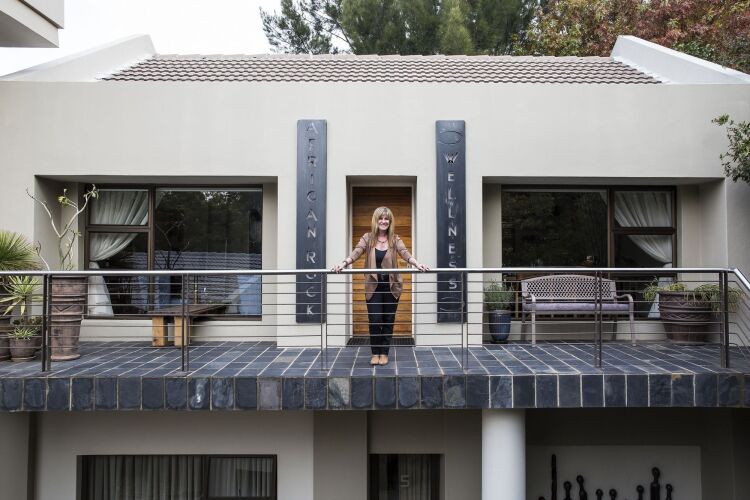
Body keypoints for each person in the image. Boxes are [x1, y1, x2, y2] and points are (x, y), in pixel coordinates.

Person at [333, 207, 429, 366]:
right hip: (374, 287)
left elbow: (405, 253)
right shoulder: (368, 238)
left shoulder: (395, 239)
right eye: (381, 218)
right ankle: (375, 352)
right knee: (375, 319)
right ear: (376, 220)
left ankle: (384, 352)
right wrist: (343, 264)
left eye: (387, 219)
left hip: (391, 286)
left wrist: (418, 264)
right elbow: (356, 252)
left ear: (390, 222)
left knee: (388, 320)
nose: (384, 221)